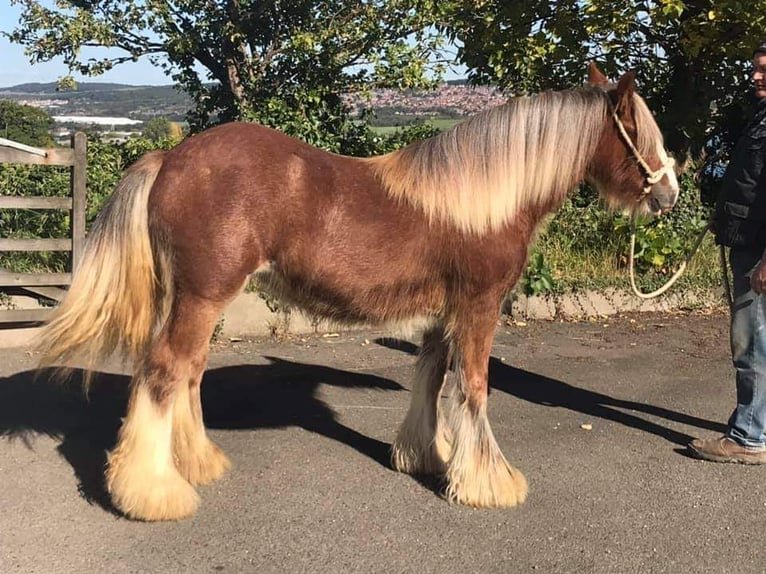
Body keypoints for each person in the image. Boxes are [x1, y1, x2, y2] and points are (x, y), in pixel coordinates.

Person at [688, 43, 766, 464]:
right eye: (755, 69)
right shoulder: (760, 118)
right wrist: (725, 218)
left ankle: (749, 438)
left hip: (759, 254)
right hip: (747, 240)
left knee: (751, 343)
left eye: (763, 70)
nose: (756, 77)